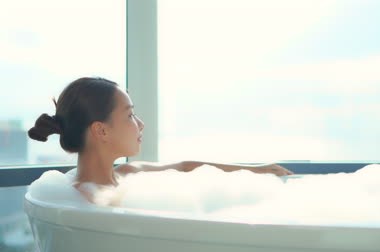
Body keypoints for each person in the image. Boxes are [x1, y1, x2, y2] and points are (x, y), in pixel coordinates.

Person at [28, 77, 294, 202]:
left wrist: (255, 170)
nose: (141, 124)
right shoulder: (79, 199)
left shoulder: (127, 174)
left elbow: (184, 166)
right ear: (101, 130)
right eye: (130, 115)